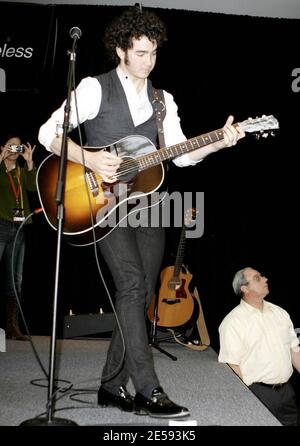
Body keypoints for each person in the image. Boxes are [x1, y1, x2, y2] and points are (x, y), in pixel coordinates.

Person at [38, 6, 244, 419]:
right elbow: (48, 134)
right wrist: (91, 160)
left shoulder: (161, 100)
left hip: (149, 205)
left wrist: (220, 141)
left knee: (144, 292)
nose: (148, 61)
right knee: (131, 284)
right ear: (121, 51)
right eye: (141, 53)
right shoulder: (95, 88)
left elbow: (181, 156)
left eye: (154, 53)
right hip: (101, 203)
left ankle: (112, 386)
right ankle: (149, 390)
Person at [218, 267, 300, 426]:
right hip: (258, 394)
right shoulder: (233, 322)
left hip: (287, 393)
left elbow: (294, 350)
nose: (265, 279)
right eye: (257, 278)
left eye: (262, 276)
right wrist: (245, 398)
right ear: (244, 288)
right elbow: (231, 365)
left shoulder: (280, 313)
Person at [0, 134, 36, 340]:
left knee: (16, 280)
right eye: (10, 146)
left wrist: (30, 161)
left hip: (20, 228)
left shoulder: (21, 173)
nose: (14, 149)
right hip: (1, 225)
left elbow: (33, 186)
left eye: (18, 147)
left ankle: (13, 328)